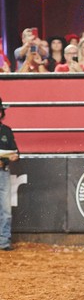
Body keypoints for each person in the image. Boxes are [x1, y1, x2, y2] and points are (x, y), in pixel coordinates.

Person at [0, 98, 19, 251]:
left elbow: (15, 151)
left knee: (6, 210)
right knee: (5, 209)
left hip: (3, 172)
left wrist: (14, 156)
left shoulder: (6, 131)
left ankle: (4, 241)